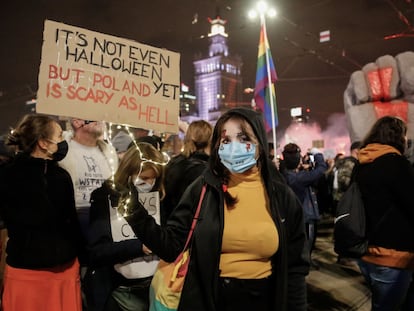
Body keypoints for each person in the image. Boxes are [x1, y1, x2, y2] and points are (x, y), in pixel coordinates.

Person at [124, 107, 309, 311]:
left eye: (243, 137)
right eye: (226, 140)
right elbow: (170, 246)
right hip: (209, 300)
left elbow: (295, 267)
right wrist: (132, 209)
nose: (233, 147)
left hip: (265, 299)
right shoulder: (203, 188)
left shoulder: (281, 196)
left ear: (260, 144)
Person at [0, 114, 83, 311]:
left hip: (62, 271)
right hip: (29, 274)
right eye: (60, 136)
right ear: (44, 143)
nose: (63, 142)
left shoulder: (60, 175)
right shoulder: (9, 175)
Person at [84, 142, 166, 311]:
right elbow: (97, 251)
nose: (149, 183)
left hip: (157, 287)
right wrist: (139, 247)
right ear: (129, 172)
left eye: (154, 178)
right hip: (120, 290)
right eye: (143, 178)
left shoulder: (162, 197)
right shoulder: (104, 198)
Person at [356, 116, 414, 310]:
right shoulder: (397, 164)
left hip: (364, 252)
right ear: (397, 137)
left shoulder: (362, 163)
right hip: (393, 255)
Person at [59, 119, 119, 249]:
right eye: (94, 115)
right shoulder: (63, 152)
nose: (101, 119)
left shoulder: (109, 152)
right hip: (73, 223)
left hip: (105, 222)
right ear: (77, 122)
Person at [281, 143, 328, 269]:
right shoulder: (299, 178)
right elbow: (322, 168)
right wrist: (317, 154)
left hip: (293, 216)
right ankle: (306, 263)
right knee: (307, 242)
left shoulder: (285, 175)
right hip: (306, 216)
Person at [163, 120, 212, 220]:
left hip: (171, 225)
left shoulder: (173, 164)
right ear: (211, 141)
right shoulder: (208, 171)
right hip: (194, 229)